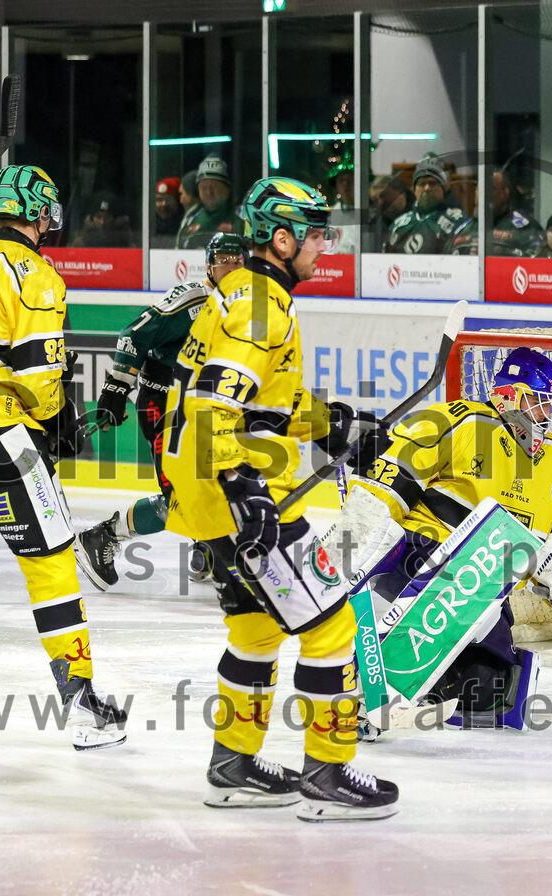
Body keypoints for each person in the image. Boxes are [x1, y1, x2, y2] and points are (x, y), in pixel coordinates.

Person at [161, 176, 398, 820]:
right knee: (332, 628)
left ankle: (232, 764)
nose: (325, 244)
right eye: (317, 233)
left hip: (207, 496)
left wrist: (332, 424)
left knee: (257, 628)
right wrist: (247, 491)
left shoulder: (242, 294)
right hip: (241, 494)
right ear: (283, 238)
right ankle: (328, 772)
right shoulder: (263, 305)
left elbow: (260, 400)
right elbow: (215, 404)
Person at [333, 348, 552, 731]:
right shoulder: (457, 421)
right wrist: (353, 554)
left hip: (488, 589)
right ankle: (369, 683)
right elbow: (384, 495)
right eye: (540, 403)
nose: (547, 416)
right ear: (512, 396)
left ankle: (423, 689)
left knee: (487, 694)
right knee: (462, 591)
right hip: (419, 562)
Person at [0, 164, 127, 749]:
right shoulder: (35, 274)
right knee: (53, 559)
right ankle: (82, 704)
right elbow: (37, 378)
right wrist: (56, 426)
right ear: (38, 213)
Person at [74, 233, 250, 590]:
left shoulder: (248, 306)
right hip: (164, 407)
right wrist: (115, 388)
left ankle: (208, 550)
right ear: (210, 265)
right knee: (179, 499)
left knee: (225, 483)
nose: (231, 268)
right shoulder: (191, 300)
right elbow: (134, 334)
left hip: (207, 413)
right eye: (223, 262)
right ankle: (102, 537)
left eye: (237, 262)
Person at [384, 154, 471, 254]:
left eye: (432, 183)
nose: (427, 188)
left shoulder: (457, 221)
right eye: (422, 184)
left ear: (443, 188)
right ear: (414, 189)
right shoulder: (399, 225)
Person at [450, 169, 545, 257]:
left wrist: (501, 254)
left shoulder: (524, 227)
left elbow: (538, 261)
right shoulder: (465, 228)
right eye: (480, 188)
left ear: (505, 193)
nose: (483, 194)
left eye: (490, 189)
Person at [175, 154, 244, 250]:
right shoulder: (190, 217)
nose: (209, 192)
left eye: (214, 187)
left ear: (227, 189)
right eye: (203, 187)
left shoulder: (242, 217)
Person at [70, 191, 136, 248]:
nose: (102, 222)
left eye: (107, 217)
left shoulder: (125, 242)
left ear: (115, 219)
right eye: (98, 217)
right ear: (91, 219)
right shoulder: (81, 243)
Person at [367, 174, 413, 252]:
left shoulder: (421, 217)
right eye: (375, 199)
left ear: (400, 191)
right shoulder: (375, 224)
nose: (380, 202)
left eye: (384, 195)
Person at [327, 156, 359, 255]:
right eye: (341, 180)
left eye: (350, 180)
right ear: (336, 186)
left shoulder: (370, 215)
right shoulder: (328, 215)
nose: (346, 185)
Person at [153, 176, 183, 247]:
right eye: (159, 200)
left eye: (168, 200)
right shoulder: (151, 224)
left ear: (178, 201)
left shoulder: (184, 224)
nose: (163, 204)